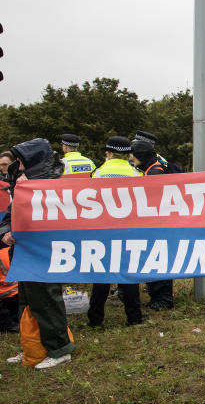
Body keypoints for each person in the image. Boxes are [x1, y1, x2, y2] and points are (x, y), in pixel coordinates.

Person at [2, 138, 76, 369]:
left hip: (44, 253)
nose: (17, 165)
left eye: (21, 160)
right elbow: (8, 217)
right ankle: (32, 347)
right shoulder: (21, 183)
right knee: (27, 303)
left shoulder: (51, 186)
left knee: (45, 300)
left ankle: (59, 348)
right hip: (22, 253)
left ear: (33, 161)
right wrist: (5, 234)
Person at [87, 136, 143, 327]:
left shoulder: (98, 173)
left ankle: (95, 319)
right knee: (129, 273)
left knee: (101, 274)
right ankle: (134, 317)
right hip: (128, 229)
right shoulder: (137, 174)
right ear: (128, 154)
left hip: (102, 230)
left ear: (108, 153)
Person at [130, 139, 174, 311]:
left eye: (134, 155)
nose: (132, 159)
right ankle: (159, 297)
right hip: (155, 223)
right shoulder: (152, 168)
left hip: (158, 224)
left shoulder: (155, 171)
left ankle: (163, 300)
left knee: (159, 262)